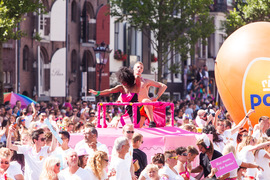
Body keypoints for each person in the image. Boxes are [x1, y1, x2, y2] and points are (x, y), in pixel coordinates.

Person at [133, 62, 167, 127]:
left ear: (142, 70)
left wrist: (156, 97)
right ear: (134, 68)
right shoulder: (129, 81)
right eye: (137, 67)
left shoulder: (146, 81)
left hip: (145, 106)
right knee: (137, 128)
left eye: (141, 68)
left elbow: (163, 86)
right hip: (134, 106)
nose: (139, 69)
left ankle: (152, 122)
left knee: (145, 101)